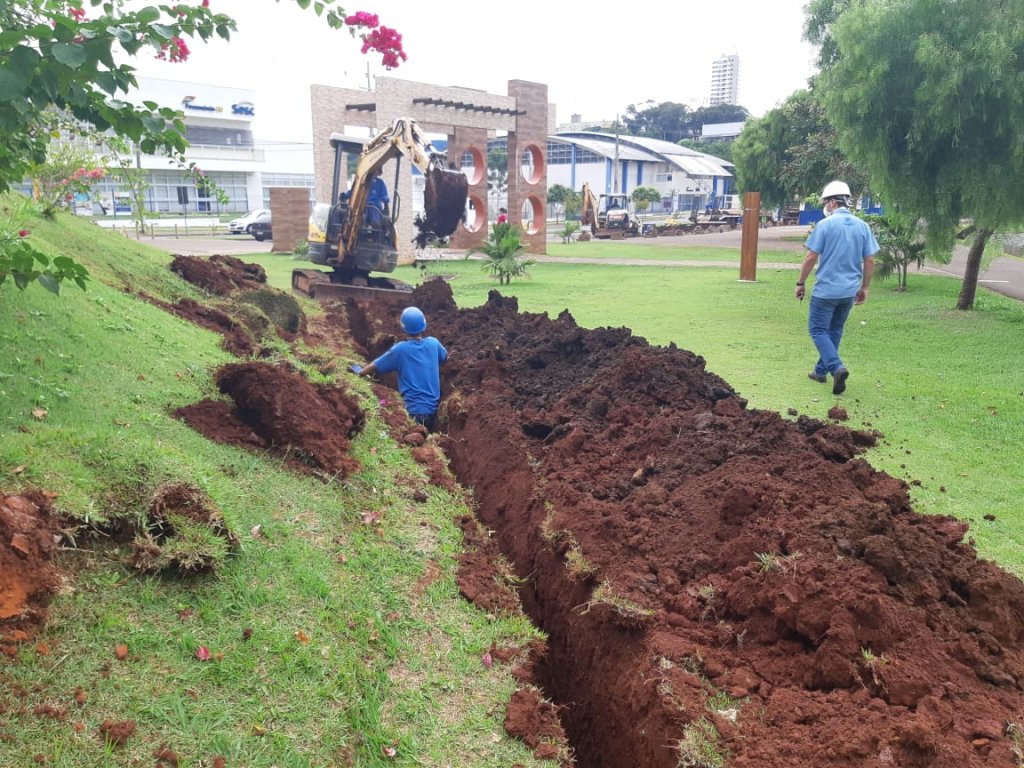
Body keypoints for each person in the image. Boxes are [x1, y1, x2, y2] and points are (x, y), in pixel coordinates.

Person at [795, 180, 878, 395]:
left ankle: (836, 367)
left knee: (818, 330)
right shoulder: (863, 227)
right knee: (835, 330)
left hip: (826, 291)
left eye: (825, 202)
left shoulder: (825, 225)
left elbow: (811, 256)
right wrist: (865, 288)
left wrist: (801, 282)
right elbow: (869, 261)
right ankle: (820, 371)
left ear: (832, 203)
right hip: (849, 291)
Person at [353, 307, 448, 430]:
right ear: (424, 324)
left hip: (413, 413)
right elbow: (445, 357)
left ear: (403, 328)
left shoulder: (400, 349)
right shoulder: (433, 343)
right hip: (433, 411)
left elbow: (375, 365)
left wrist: (360, 372)